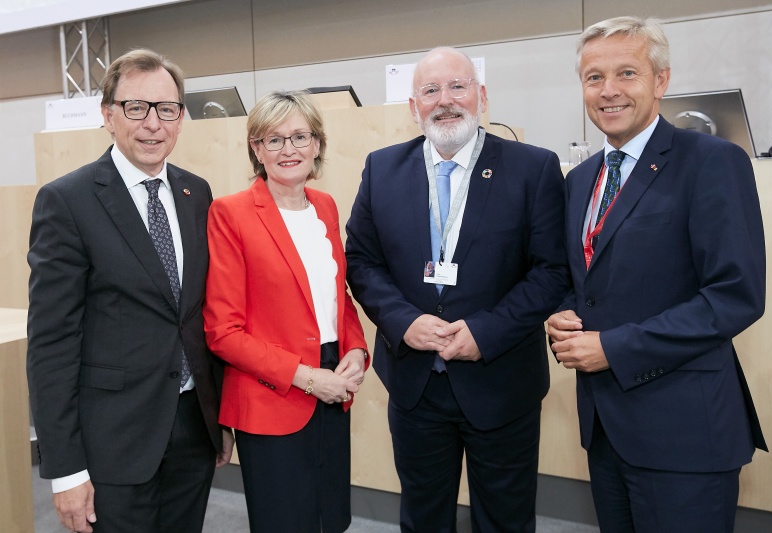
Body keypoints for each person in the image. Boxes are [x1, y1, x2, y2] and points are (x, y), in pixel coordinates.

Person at [546, 16, 768, 532]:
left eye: (627, 73)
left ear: (661, 81)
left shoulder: (711, 161)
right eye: (594, 77)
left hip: (684, 432)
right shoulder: (580, 180)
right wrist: (563, 313)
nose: (608, 91)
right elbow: (582, 280)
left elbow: (735, 296)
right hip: (605, 428)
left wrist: (614, 348)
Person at [345, 47, 570, 532]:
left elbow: (552, 271)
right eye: (430, 90)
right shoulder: (381, 168)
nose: (445, 101)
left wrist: (485, 333)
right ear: (413, 106)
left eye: (457, 87)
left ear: (481, 97)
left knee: (505, 519)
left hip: (501, 381)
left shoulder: (534, 169)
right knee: (423, 517)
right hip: (415, 385)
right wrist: (405, 322)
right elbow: (361, 261)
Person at [27, 48, 234, 533]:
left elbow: (197, 313)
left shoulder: (196, 193)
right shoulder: (67, 201)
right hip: (112, 443)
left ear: (181, 118)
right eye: (136, 107)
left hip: (191, 429)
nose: (153, 123)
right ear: (108, 115)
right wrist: (65, 470)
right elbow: (51, 345)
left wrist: (217, 416)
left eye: (167, 109)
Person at [203, 90, 369, 533]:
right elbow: (223, 331)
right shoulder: (231, 213)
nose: (289, 149)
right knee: (285, 522)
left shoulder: (326, 207)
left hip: (333, 386)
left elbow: (337, 296)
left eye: (300, 136)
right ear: (256, 149)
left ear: (317, 144)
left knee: (331, 518)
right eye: (273, 140)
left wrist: (355, 348)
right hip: (273, 395)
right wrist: (310, 378)